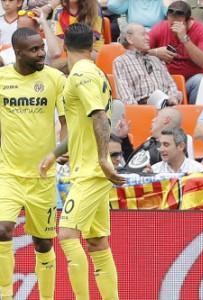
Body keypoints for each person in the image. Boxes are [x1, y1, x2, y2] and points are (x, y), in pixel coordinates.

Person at [40, 23, 124, 300]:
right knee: (97, 241)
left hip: (91, 170)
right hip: (86, 167)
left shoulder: (81, 74)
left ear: (64, 46)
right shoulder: (94, 71)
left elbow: (100, 116)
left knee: (66, 234)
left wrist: (102, 158)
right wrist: (56, 153)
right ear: (93, 45)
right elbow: (81, 126)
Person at [0, 27, 66, 300]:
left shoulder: (55, 79)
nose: (42, 53)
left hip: (42, 177)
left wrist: (62, 149)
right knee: (2, 229)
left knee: (43, 243)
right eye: (35, 50)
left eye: (41, 47)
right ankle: (5, 295)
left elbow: (67, 124)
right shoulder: (2, 79)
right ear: (18, 52)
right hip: (8, 174)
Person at [149, 1, 203, 105]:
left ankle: (194, 114)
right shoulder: (160, 28)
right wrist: (155, 52)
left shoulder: (201, 30)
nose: (173, 27)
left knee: (200, 80)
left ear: (188, 21)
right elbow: (137, 52)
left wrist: (184, 38)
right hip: (165, 82)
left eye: (178, 24)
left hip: (190, 81)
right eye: (171, 23)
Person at [114, 23, 182, 105]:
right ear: (129, 39)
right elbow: (125, 96)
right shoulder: (121, 62)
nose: (148, 38)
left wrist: (173, 98)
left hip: (168, 106)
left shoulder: (156, 59)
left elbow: (172, 86)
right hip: (142, 109)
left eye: (147, 34)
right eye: (143, 35)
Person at [125, 107, 195, 171]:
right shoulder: (149, 142)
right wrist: (124, 139)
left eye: (157, 117)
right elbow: (130, 165)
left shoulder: (184, 140)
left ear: (166, 120)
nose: (153, 120)